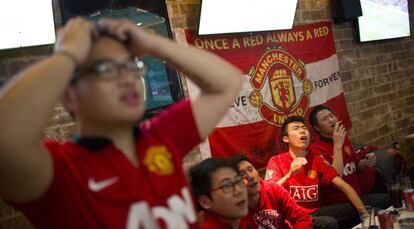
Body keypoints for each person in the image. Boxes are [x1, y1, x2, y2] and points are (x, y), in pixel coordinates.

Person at [0, 17, 242, 228]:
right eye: (106, 68)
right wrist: (68, 53)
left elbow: (227, 83)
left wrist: (153, 44)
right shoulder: (61, 172)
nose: (128, 79)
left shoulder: (159, 136)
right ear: (70, 96)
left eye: (131, 66)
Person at [265, 116, 368, 229]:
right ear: (286, 139)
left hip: (316, 212)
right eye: (296, 128)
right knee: (329, 223)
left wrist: (364, 214)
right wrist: (289, 175)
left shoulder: (316, 160)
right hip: (292, 217)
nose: (302, 130)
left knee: (353, 209)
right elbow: (267, 192)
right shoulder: (276, 161)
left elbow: (344, 186)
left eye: (304, 128)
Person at [308, 105, 390, 210]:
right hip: (339, 203)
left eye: (331, 115)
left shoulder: (343, 138)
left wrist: (367, 161)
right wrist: (337, 145)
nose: (331, 120)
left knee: (392, 197)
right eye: (325, 119)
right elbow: (335, 176)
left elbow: (358, 166)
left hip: (357, 196)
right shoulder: (315, 149)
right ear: (317, 127)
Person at [231, 154, 312, 229]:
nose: (251, 176)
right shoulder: (234, 210)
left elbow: (301, 218)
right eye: (242, 174)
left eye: (250, 169)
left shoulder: (273, 189)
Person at [188, 157, 248, 229]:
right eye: (227, 185)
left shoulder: (239, 219)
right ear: (205, 202)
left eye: (238, 180)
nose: (239, 191)